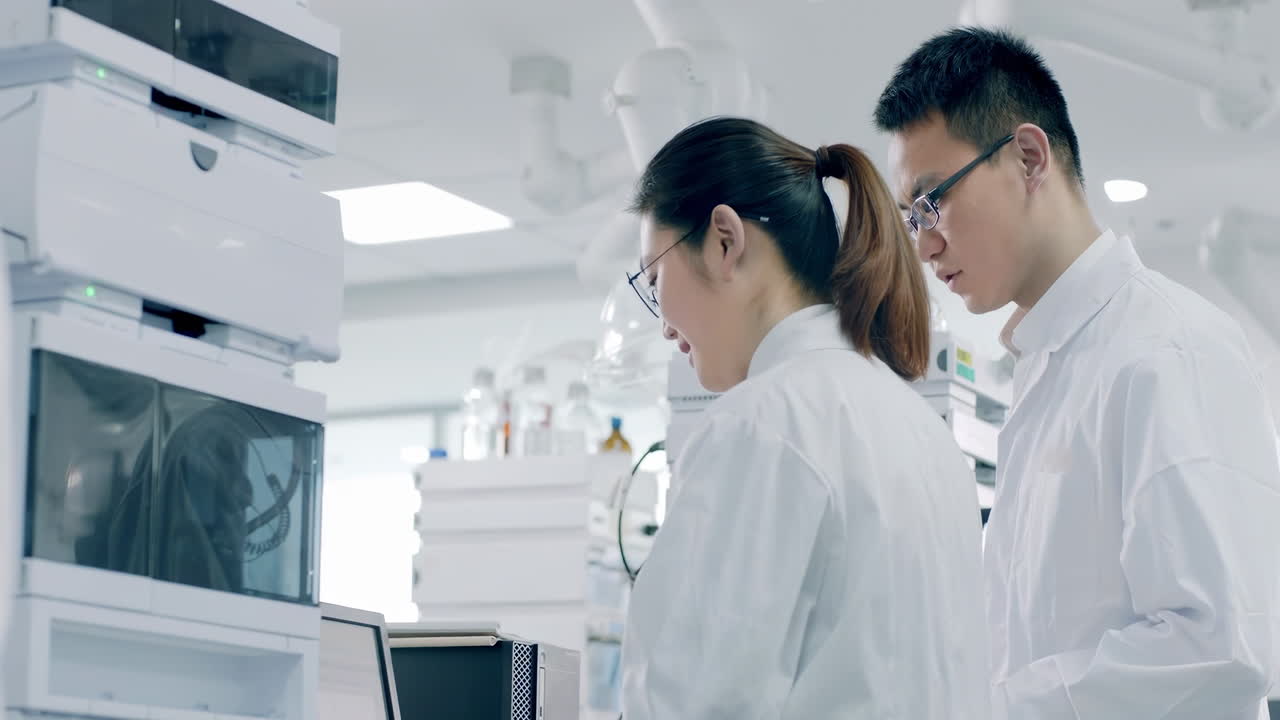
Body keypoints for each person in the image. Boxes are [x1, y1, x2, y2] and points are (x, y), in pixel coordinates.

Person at [875, 27, 1280, 720]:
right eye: (912, 217)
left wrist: (983, 707)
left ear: (1028, 157)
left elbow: (1220, 645)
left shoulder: (1168, 348)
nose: (924, 245)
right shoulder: (1049, 368)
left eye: (932, 200)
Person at [618, 116, 991, 719]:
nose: (662, 323)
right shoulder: (920, 429)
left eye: (655, 277)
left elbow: (689, 701)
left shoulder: (758, 425)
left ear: (722, 240)